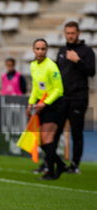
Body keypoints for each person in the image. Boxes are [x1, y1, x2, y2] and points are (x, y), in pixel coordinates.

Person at [54, 21, 96, 174]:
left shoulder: (87, 51)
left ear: (78, 33)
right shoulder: (62, 50)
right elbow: (57, 72)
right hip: (62, 98)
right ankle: (54, 162)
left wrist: (77, 60)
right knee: (55, 131)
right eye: (68, 33)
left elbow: (91, 71)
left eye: (73, 33)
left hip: (78, 98)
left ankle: (75, 165)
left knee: (76, 132)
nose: (70, 36)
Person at [26, 38, 66, 180]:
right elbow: (36, 87)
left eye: (43, 49)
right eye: (38, 48)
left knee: (46, 138)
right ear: (33, 50)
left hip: (54, 105)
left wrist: (46, 103)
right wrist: (31, 104)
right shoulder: (33, 65)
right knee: (41, 140)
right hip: (41, 105)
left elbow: (59, 90)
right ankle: (60, 165)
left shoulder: (51, 66)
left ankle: (50, 172)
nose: (40, 51)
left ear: (46, 50)